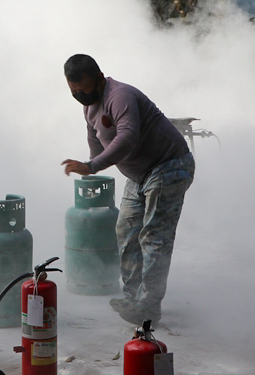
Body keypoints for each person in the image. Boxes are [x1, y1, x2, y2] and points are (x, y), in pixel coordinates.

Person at [61, 54, 194, 325]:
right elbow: (95, 141)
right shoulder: (90, 108)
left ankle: (148, 306)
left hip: (169, 166)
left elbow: (127, 137)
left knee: (154, 237)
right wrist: (90, 165)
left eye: (84, 89)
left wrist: (92, 166)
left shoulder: (119, 96)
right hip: (140, 175)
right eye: (74, 91)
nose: (81, 95)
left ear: (99, 78)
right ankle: (133, 298)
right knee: (126, 231)